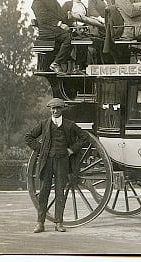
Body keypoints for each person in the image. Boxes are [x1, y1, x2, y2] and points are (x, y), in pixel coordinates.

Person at [25, 98, 88, 233]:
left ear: (62, 109)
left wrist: (72, 149)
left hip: (62, 162)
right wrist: (41, 149)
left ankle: (59, 222)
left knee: (60, 193)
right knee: (44, 192)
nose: (55, 111)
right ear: (50, 110)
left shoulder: (70, 125)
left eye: (58, 108)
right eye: (53, 109)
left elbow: (84, 137)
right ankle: (40, 223)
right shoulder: (44, 124)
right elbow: (28, 137)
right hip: (47, 162)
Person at [31, 0, 72, 75]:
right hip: (47, 31)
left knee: (79, 37)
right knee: (68, 37)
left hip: (55, 31)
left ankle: (76, 66)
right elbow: (43, 17)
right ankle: (56, 63)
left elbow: (62, 16)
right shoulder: (38, 1)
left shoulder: (55, 2)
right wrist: (60, 24)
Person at [61, 0, 90, 72]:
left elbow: (87, 19)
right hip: (71, 31)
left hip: (83, 31)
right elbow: (63, 18)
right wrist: (73, 25)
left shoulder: (83, 6)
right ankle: (74, 66)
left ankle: (81, 66)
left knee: (87, 41)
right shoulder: (68, 5)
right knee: (80, 41)